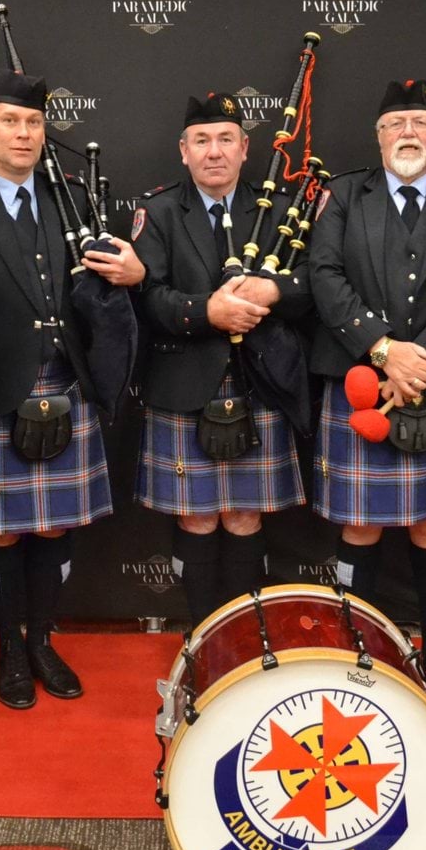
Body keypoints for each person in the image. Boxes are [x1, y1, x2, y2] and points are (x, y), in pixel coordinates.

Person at [0, 70, 145, 709]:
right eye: (9, 121)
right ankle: (8, 649)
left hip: (69, 386)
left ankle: (43, 641)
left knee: (56, 529)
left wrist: (136, 273)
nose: (23, 134)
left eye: (32, 123)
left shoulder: (73, 200)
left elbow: (108, 288)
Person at [307, 79, 426, 711]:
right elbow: (322, 275)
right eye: (395, 123)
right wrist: (384, 349)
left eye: (420, 121)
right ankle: (351, 642)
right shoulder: (342, 196)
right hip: (361, 380)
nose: (407, 132)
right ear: (378, 136)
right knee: (360, 523)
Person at [131, 92, 311, 626]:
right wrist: (207, 312)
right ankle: (202, 637)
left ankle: (244, 635)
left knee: (245, 517)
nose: (215, 151)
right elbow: (147, 297)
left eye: (226, 139)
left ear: (245, 148)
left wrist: (273, 293)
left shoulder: (282, 210)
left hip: (261, 383)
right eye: (202, 140)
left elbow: (313, 289)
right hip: (185, 384)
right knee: (197, 519)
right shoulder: (159, 211)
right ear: (183, 151)